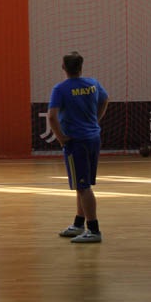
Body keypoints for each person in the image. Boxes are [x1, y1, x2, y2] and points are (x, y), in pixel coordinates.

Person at [47, 51, 109, 243]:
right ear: (81, 67)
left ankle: (94, 229)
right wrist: (95, 121)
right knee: (82, 184)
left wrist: (61, 138)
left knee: (83, 187)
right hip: (93, 139)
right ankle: (78, 224)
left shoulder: (60, 89)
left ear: (63, 67)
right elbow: (105, 99)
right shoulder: (93, 84)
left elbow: (51, 116)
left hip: (76, 142)